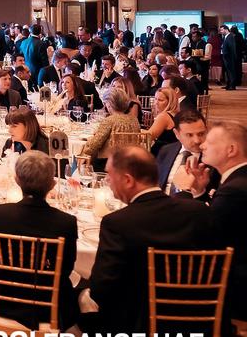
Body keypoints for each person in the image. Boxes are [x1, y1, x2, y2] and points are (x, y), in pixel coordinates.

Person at [89, 146, 216, 332]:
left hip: (139, 325)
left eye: (109, 175)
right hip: (200, 321)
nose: (108, 181)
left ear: (127, 180)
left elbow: (101, 289)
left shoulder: (117, 223)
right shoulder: (199, 212)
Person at [0, 150, 80, 330]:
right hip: (48, 307)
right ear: (52, 184)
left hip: (4, 300)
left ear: (16, 180)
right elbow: (66, 269)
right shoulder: (66, 222)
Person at [182, 120, 247, 324]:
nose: (202, 145)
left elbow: (206, 236)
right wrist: (200, 192)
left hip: (233, 289)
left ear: (231, 150)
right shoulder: (236, 180)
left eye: (209, 142)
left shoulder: (234, 190)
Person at [157, 109, 216, 196]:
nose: (197, 140)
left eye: (201, 134)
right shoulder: (166, 151)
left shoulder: (215, 158)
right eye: (189, 135)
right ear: (177, 134)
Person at [81, 87, 141, 172]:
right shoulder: (134, 120)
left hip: (110, 162)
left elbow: (93, 146)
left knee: (82, 159)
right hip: (131, 162)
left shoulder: (109, 120)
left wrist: (88, 142)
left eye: (106, 103)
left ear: (109, 104)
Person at [147, 86, 180, 155]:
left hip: (162, 153)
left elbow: (148, 136)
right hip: (173, 152)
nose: (156, 103)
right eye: (155, 99)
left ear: (170, 102)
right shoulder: (177, 114)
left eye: (160, 100)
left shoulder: (164, 116)